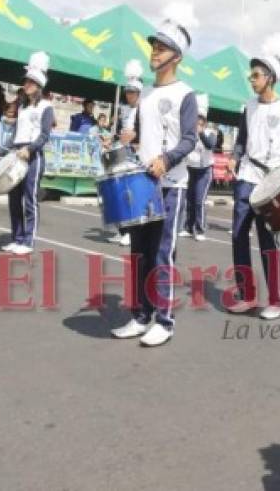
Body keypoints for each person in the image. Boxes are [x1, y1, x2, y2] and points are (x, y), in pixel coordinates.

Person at [110, 20, 198, 348]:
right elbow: (141, 138)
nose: (154, 51)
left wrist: (167, 159)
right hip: (142, 183)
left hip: (171, 184)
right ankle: (140, 315)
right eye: (153, 46)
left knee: (162, 253)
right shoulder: (145, 95)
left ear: (176, 56)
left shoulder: (185, 94)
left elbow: (190, 139)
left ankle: (164, 319)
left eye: (161, 47)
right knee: (139, 253)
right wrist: (131, 140)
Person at [226, 54, 280, 321]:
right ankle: (246, 295)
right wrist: (234, 158)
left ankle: (275, 300)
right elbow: (241, 140)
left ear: (270, 77)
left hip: (272, 180)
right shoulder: (248, 106)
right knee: (237, 234)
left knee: (267, 239)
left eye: (256, 75)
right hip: (247, 174)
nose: (251, 79)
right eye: (251, 75)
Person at [2, 52, 53, 256]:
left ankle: (29, 240)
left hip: (34, 156)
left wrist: (29, 149)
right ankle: (17, 237)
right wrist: (2, 149)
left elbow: (44, 135)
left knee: (29, 198)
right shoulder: (22, 107)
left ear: (39, 84)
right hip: (17, 153)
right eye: (26, 81)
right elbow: (15, 134)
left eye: (31, 81)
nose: (27, 84)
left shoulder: (46, 106)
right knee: (13, 198)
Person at [105, 59, 143, 247]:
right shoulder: (123, 110)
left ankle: (131, 231)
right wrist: (110, 140)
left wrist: (135, 139)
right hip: (120, 152)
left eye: (133, 92)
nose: (129, 95)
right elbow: (119, 131)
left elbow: (143, 135)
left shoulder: (143, 111)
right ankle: (122, 230)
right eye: (128, 91)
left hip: (134, 155)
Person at [180, 93, 216, 241]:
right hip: (191, 169)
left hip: (204, 171)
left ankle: (200, 230)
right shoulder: (189, 132)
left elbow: (210, 145)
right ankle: (188, 227)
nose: (198, 122)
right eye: (196, 119)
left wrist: (201, 134)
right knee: (189, 199)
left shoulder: (211, 132)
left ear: (205, 122)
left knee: (199, 201)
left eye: (201, 120)